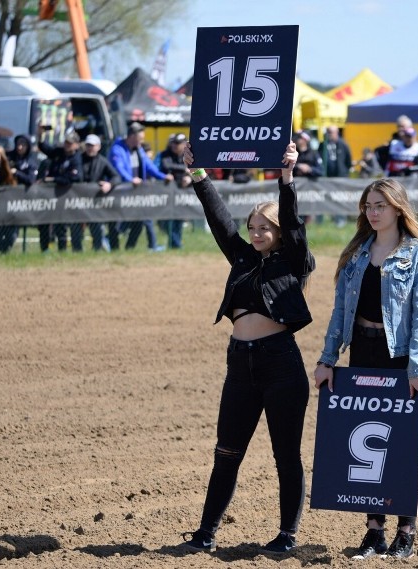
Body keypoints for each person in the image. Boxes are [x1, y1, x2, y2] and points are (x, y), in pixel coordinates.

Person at [179, 141, 315, 556]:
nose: (256, 234)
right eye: (253, 227)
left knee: (285, 456)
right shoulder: (241, 257)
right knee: (226, 453)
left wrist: (286, 178)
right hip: (240, 365)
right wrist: (198, 175)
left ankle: (287, 536)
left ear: (278, 233)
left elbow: (292, 222)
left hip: (281, 365)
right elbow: (220, 222)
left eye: (264, 228)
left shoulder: (292, 260)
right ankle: (205, 533)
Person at [313, 177, 418, 560]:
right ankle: (374, 531)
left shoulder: (416, 253)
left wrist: (417, 367)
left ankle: (406, 531)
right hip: (361, 351)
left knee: (401, 440)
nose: (373, 212)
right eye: (368, 205)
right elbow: (339, 312)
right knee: (364, 436)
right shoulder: (356, 253)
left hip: (397, 355)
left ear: (398, 208)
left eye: (380, 205)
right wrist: (327, 359)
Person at [108, 122, 171, 251]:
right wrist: (130, 179)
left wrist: (163, 176)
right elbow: (118, 168)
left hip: (135, 191)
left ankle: (129, 248)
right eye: (140, 138)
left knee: (139, 220)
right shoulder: (117, 149)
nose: (142, 141)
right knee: (117, 220)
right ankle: (111, 245)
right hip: (120, 191)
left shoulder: (139, 149)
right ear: (131, 136)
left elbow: (149, 166)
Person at [40, 131, 84, 251]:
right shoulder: (59, 152)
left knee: (64, 225)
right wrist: (40, 136)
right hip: (52, 195)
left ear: (76, 144)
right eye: (66, 142)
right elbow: (45, 149)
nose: (67, 145)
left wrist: (54, 179)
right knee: (47, 223)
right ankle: (46, 250)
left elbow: (74, 177)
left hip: (68, 197)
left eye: (70, 143)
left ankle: (65, 250)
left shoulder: (77, 158)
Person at [80, 134, 122, 251]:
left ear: (98, 147)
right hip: (78, 201)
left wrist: (109, 184)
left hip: (95, 202)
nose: (90, 148)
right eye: (88, 145)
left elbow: (116, 177)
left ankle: (97, 250)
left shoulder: (102, 161)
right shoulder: (78, 159)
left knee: (97, 229)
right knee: (76, 231)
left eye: (92, 146)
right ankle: (76, 252)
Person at [158, 133, 192, 249]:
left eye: (178, 143)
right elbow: (167, 166)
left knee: (179, 220)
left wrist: (189, 178)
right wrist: (185, 169)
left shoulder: (189, 156)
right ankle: (175, 243)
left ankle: (176, 244)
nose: (175, 146)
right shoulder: (165, 154)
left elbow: (198, 171)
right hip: (166, 194)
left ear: (184, 144)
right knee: (166, 222)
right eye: (173, 143)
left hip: (181, 195)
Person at [7, 134, 39, 252]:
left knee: (14, 228)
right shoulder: (9, 157)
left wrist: (17, 173)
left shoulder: (31, 161)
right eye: (18, 144)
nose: (20, 147)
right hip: (4, 197)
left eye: (23, 145)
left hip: (20, 199)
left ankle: (6, 249)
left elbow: (31, 180)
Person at [321, 125, 353, 226]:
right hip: (327, 177)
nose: (329, 134)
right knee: (329, 198)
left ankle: (341, 220)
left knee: (340, 198)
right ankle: (331, 219)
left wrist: (344, 172)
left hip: (341, 177)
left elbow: (349, 160)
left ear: (337, 133)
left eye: (331, 132)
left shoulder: (343, 144)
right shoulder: (323, 144)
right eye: (328, 132)